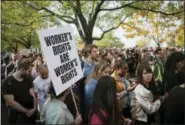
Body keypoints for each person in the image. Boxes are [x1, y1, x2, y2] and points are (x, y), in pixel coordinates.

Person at [2, 59, 37, 124]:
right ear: (22, 69)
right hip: (18, 118)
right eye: (29, 71)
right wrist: (27, 111)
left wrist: (34, 108)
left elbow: (33, 94)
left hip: (31, 116)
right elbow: (11, 102)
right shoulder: (7, 82)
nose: (29, 73)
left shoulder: (28, 78)